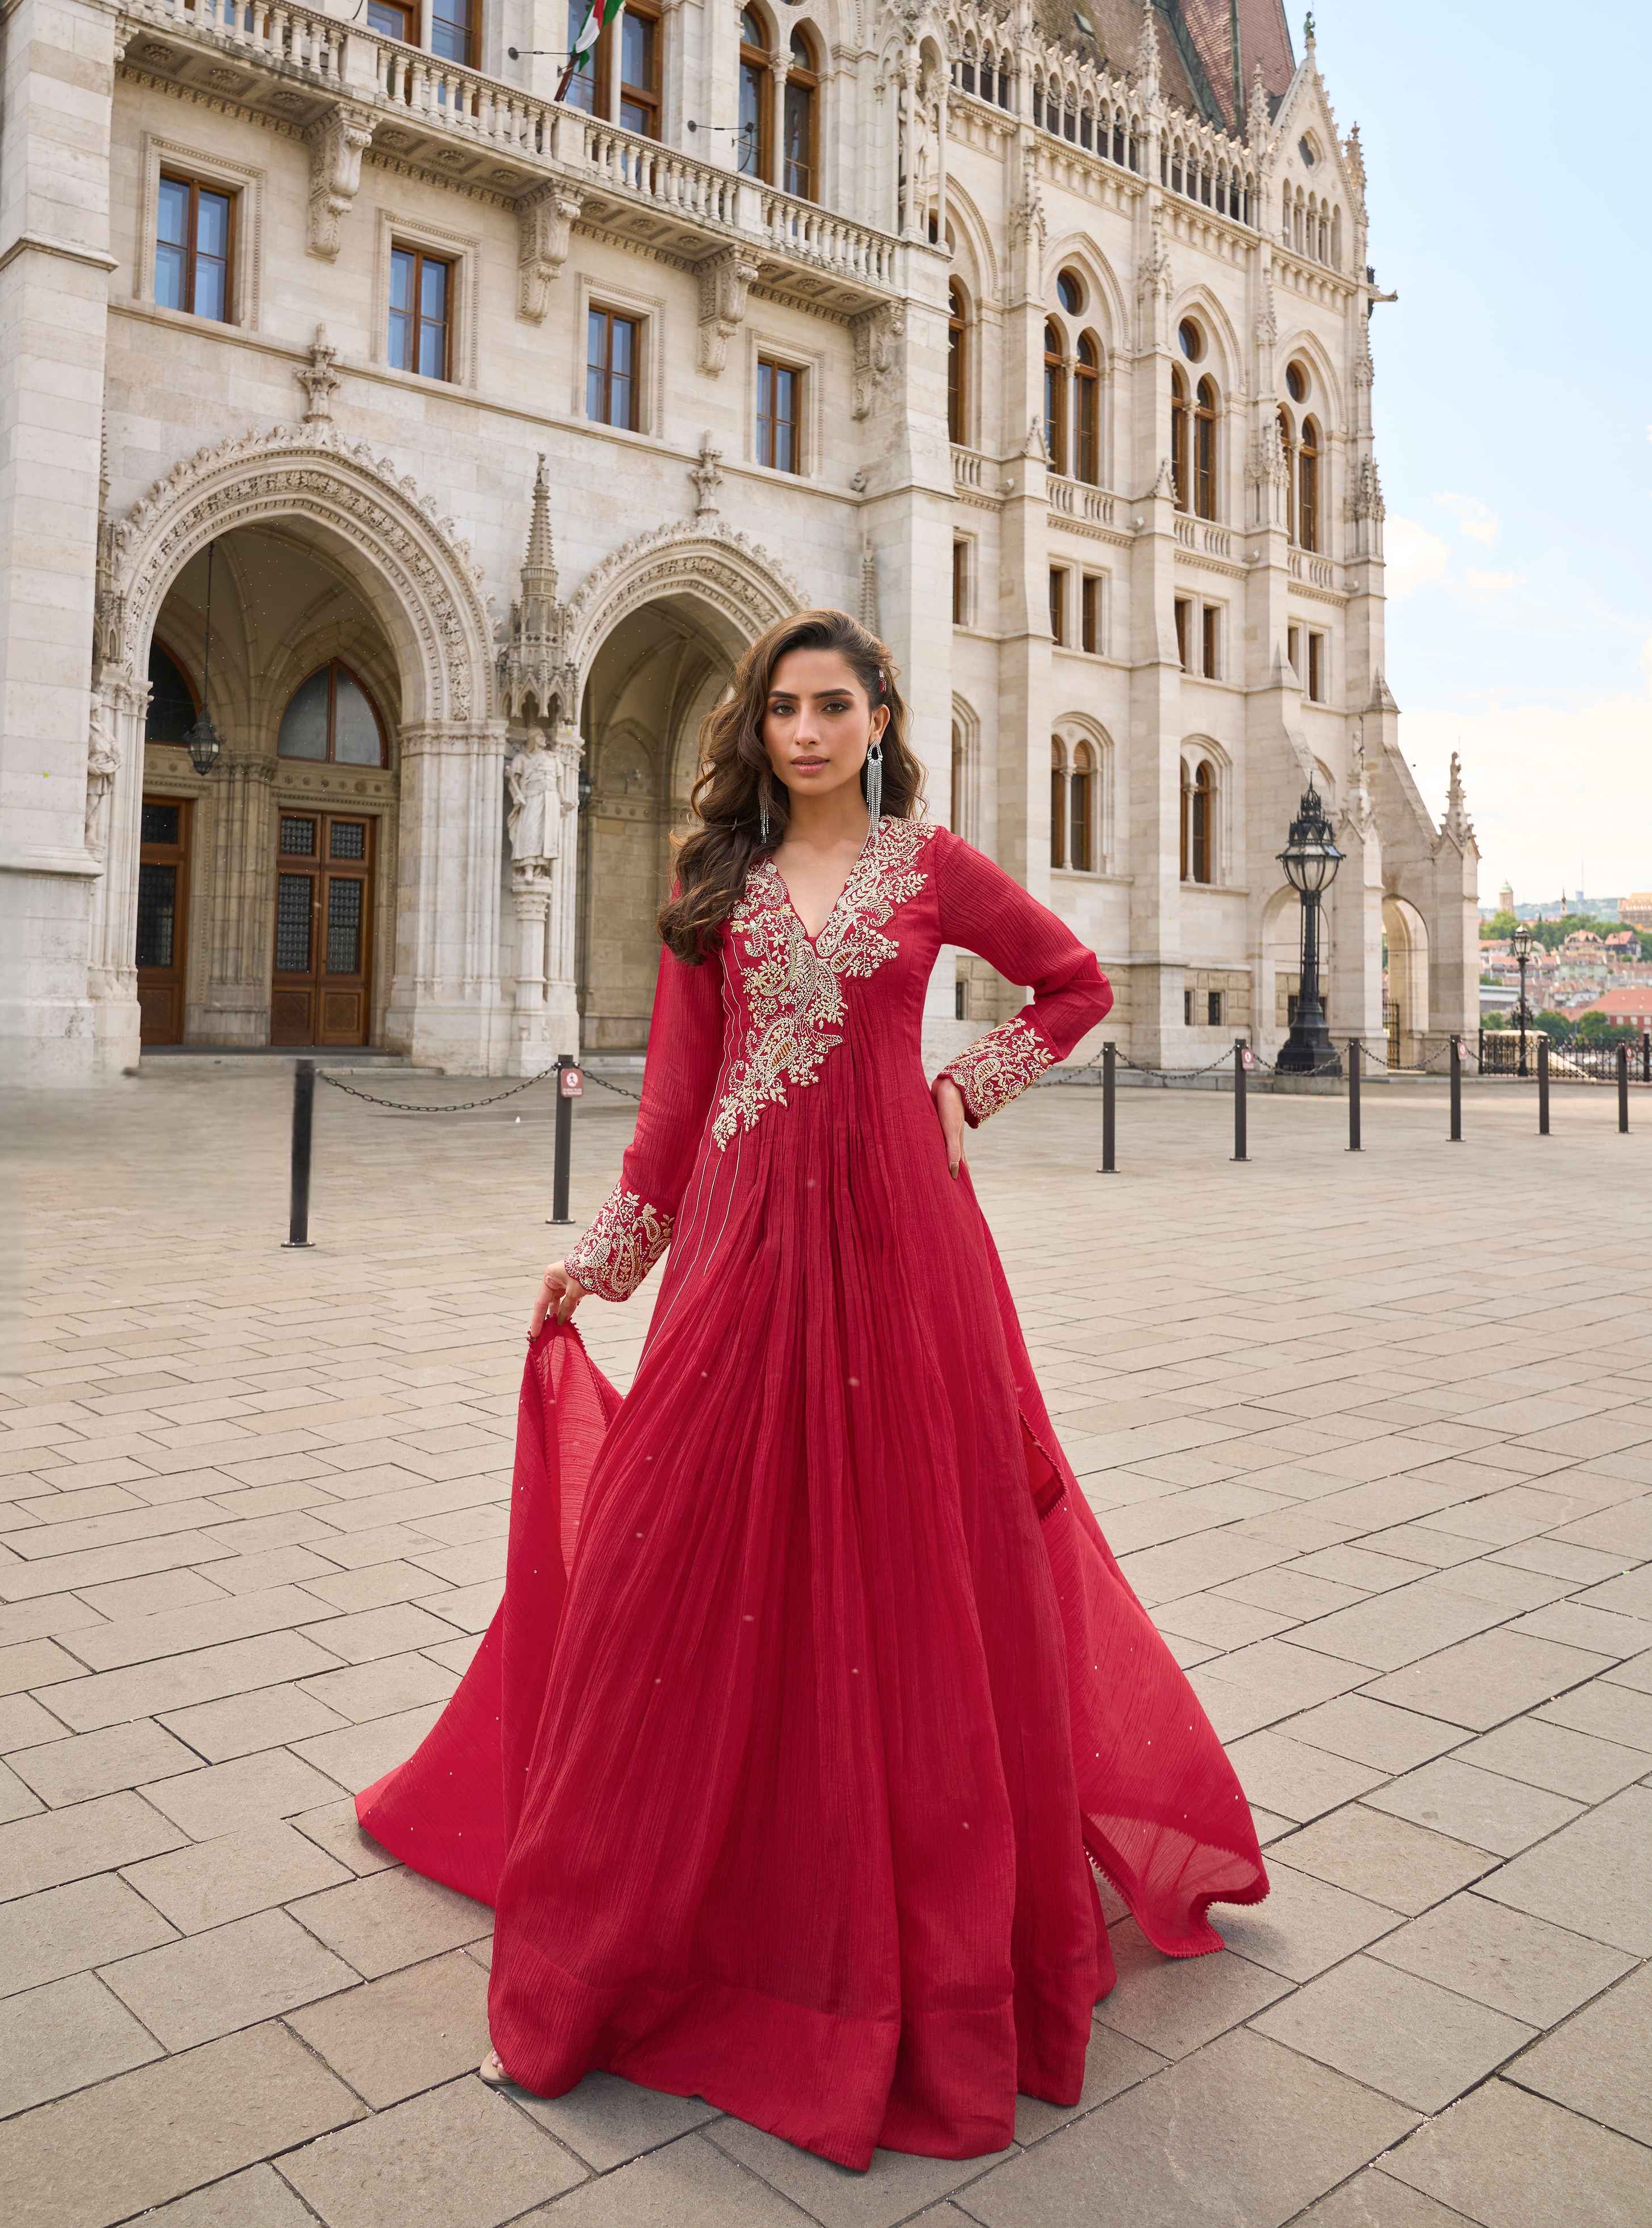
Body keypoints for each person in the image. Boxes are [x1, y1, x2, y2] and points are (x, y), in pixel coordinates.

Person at [356, 609, 1267, 2172]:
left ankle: (896, 1951)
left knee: (914, 1581)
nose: (804, 731)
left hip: (908, 1254)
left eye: (832, 706)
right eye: (780, 708)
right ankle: (606, 1955)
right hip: (747, 1251)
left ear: (879, 716)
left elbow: (1073, 983)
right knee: (667, 1562)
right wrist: (604, 1260)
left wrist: (960, 1095)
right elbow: (674, 1108)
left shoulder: (933, 868)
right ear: (757, 726)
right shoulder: (714, 888)